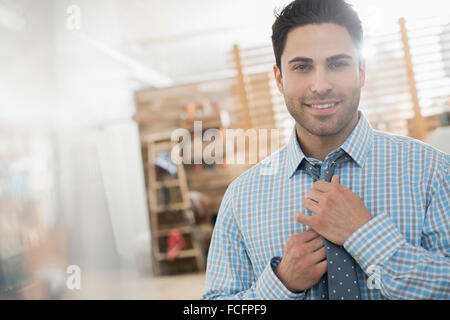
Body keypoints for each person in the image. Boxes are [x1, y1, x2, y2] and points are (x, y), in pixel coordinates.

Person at [201, 0, 449, 300]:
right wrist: (279, 285)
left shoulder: (432, 171)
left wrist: (367, 237)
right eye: (302, 67)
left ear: (361, 71)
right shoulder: (241, 197)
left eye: (337, 64)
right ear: (280, 79)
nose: (320, 85)